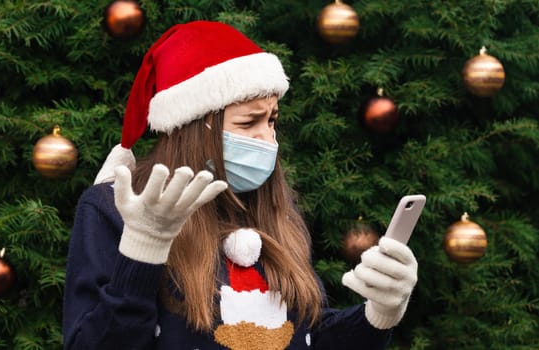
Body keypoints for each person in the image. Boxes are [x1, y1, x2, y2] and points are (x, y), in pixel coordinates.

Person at [62, 20, 418, 349]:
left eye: (272, 120)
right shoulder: (116, 209)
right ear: (193, 128)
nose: (267, 139)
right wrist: (144, 250)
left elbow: (307, 336)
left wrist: (379, 315)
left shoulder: (275, 210)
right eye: (249, 123)